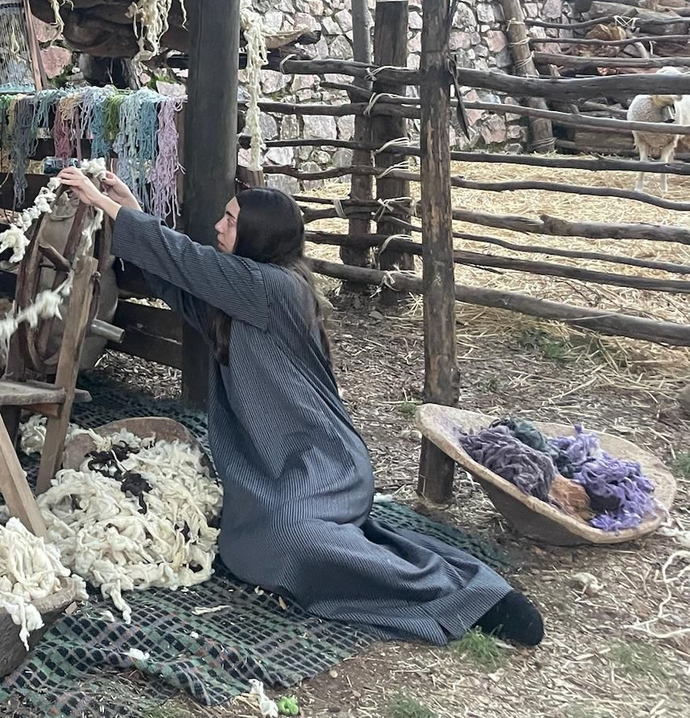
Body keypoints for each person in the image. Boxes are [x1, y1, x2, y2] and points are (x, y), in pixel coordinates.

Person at [56, 167, 545, 647]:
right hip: (271, 461)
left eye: (229, 221)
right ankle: (367, 553)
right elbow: (181, 280)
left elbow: (188, 260)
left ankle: (464, 596)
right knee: (250, 546)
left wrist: (106, 205)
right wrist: (130, 208)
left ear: (257, 237)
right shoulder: (240, 292)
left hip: (321, 459)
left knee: (291, 539)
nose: (218, 228)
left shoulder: (275, 288)